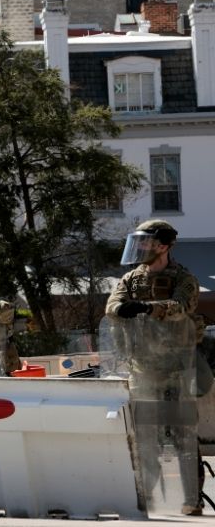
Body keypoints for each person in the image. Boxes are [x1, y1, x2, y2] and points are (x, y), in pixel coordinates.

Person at [104, 219, 202, 516]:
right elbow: (112, 307)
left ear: (164, 245)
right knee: (144, 437)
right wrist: (123, 308)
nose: (142, 247)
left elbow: (183, 306)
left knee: (184, 435)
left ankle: (190, 499)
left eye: (147, 242)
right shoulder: (131, 279)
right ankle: (148, 497)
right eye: (140, 242)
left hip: (177, 369)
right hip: (143, 369)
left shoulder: (183, 277)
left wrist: (150, 308)